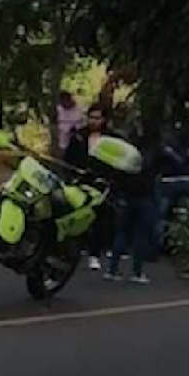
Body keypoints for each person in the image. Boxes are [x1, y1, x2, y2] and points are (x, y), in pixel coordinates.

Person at [105, 121, 161, 284]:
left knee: (121, 232)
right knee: (141, 234)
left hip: (126, 195)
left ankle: (112, 269)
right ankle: (137, 272)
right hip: (145, 196)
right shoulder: (153, 153)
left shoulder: (127, 153)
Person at [64, 104, 112, 270]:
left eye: (97, 118)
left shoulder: (111, 139)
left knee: (99, 219)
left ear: (104, 119)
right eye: (91, 117)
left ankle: (95, 253)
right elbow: (68, 159)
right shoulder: (78, 136)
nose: (93, 121)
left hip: (100, 184)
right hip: (79, 182)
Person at [55, 91, 84, 156]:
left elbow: (82, 122)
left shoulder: (79, 109)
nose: (65, 103)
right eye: (63, 100)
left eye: (67, 100)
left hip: (77, 138)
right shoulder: (58, 109)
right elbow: (58, 124)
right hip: (64, 140)